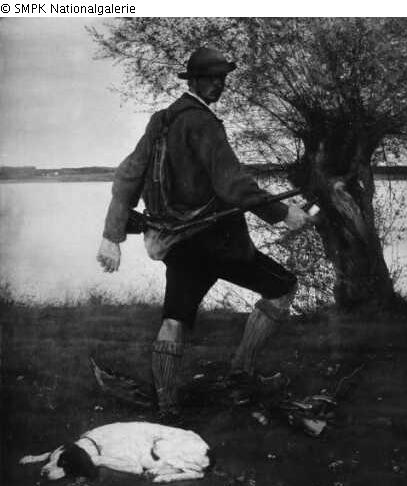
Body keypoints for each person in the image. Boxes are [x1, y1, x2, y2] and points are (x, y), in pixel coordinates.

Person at [97, 47, 312, 417]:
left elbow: (127, 177)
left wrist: (111, 235)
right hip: (219, 243)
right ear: (193, 81)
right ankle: (241, 373)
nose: (219, 84)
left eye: (222, 78)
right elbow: (233, 185)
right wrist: (282, 213)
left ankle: (167, 404)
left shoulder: (161, 120)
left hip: (177, 243)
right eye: (211, 78)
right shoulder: (204, 123)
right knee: (282, 287)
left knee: (175, 317)